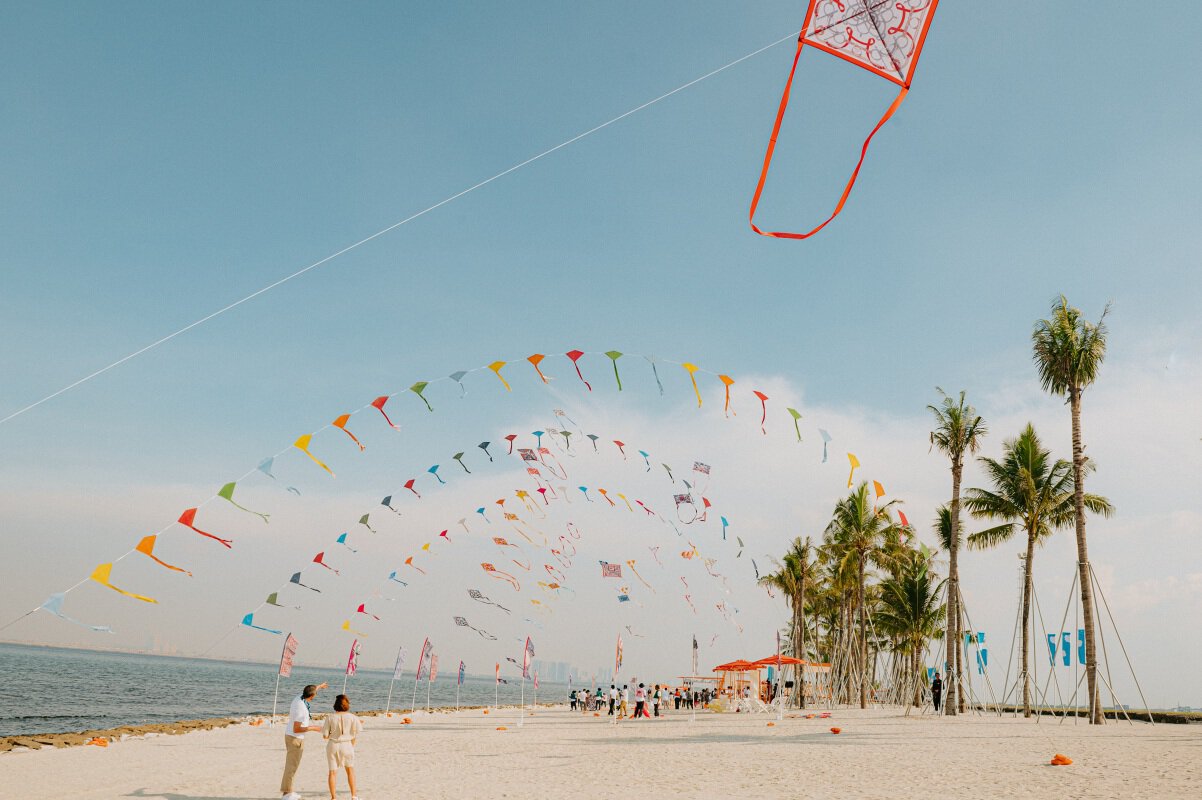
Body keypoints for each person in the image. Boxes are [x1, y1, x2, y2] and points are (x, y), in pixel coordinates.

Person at [281, 681, 328, 800]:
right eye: (315, 693)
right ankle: (286, 794)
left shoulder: (299, 697)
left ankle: (288, 791)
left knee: (293, 765)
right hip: (295, 738)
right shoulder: (301, 708)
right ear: (312, 696)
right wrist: (314, 728)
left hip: (291, 736)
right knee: (291, 767)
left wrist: (319, 687)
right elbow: (296, 729)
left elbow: (311, 689)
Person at [322, 693, 363, 800]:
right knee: (350, 771)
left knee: (332, 772)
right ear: (347, 705)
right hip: (347, 745)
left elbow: (325, 736)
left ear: (335, 705)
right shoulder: (353, 717)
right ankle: (354, 796)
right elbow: (356, 733)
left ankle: (333, 797)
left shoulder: (330, 717)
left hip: (333, 745)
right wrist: (351, 745)